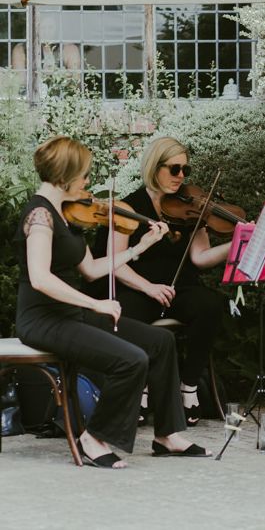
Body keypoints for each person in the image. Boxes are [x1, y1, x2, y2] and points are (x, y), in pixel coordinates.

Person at [15, 136, 209, 469]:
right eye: (84, 175)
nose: (88, 182)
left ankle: (168, 435)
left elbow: (91, 269)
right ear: (65, 175)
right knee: (131, 360)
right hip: (43, 320)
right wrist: (95, 305)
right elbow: (40, 278)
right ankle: (94, 437)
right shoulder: (40, 217)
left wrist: (139, 247)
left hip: (70, 315)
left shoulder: (65, 215)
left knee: (160, 341)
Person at [92, 137, 230, 426]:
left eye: (185, 171)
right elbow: (115, 263)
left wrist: (237, 244)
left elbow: (201, 257)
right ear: (155, 167)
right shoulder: (129, 206)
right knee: (125, 315)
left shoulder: (189, 207)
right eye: (174, 169)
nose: (181, 177)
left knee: (212, 305)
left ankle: (188, 386)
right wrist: (149, 287)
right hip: (140, 288)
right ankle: (139, 387)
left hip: (178, 288)